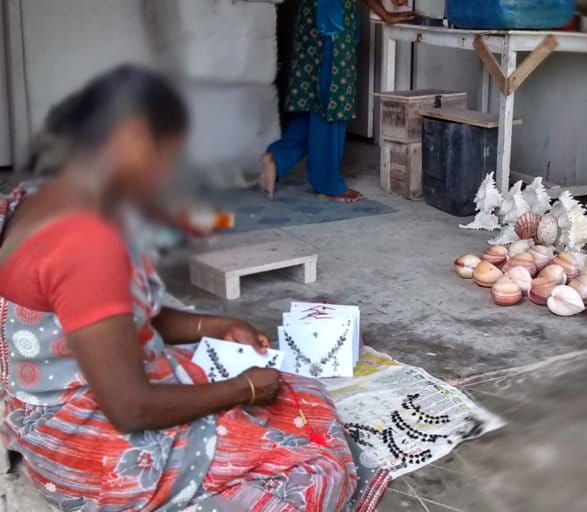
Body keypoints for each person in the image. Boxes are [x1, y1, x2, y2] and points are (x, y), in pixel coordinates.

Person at [0, 65, 357, 511]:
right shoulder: (88, 246)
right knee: (317, 472)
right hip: (93, 450)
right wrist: (241, 390)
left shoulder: (45, 198)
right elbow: (130, 409)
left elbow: (114, 320)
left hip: (63, 404)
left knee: (300, 391)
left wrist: (215, 324)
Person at [260, 0, 414, 202]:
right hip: (331, 22)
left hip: (314, 17)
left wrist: (384, 9)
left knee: (313, 101)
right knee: (332, 102)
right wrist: (383, 11)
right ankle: (327, 184)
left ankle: (277, 159)